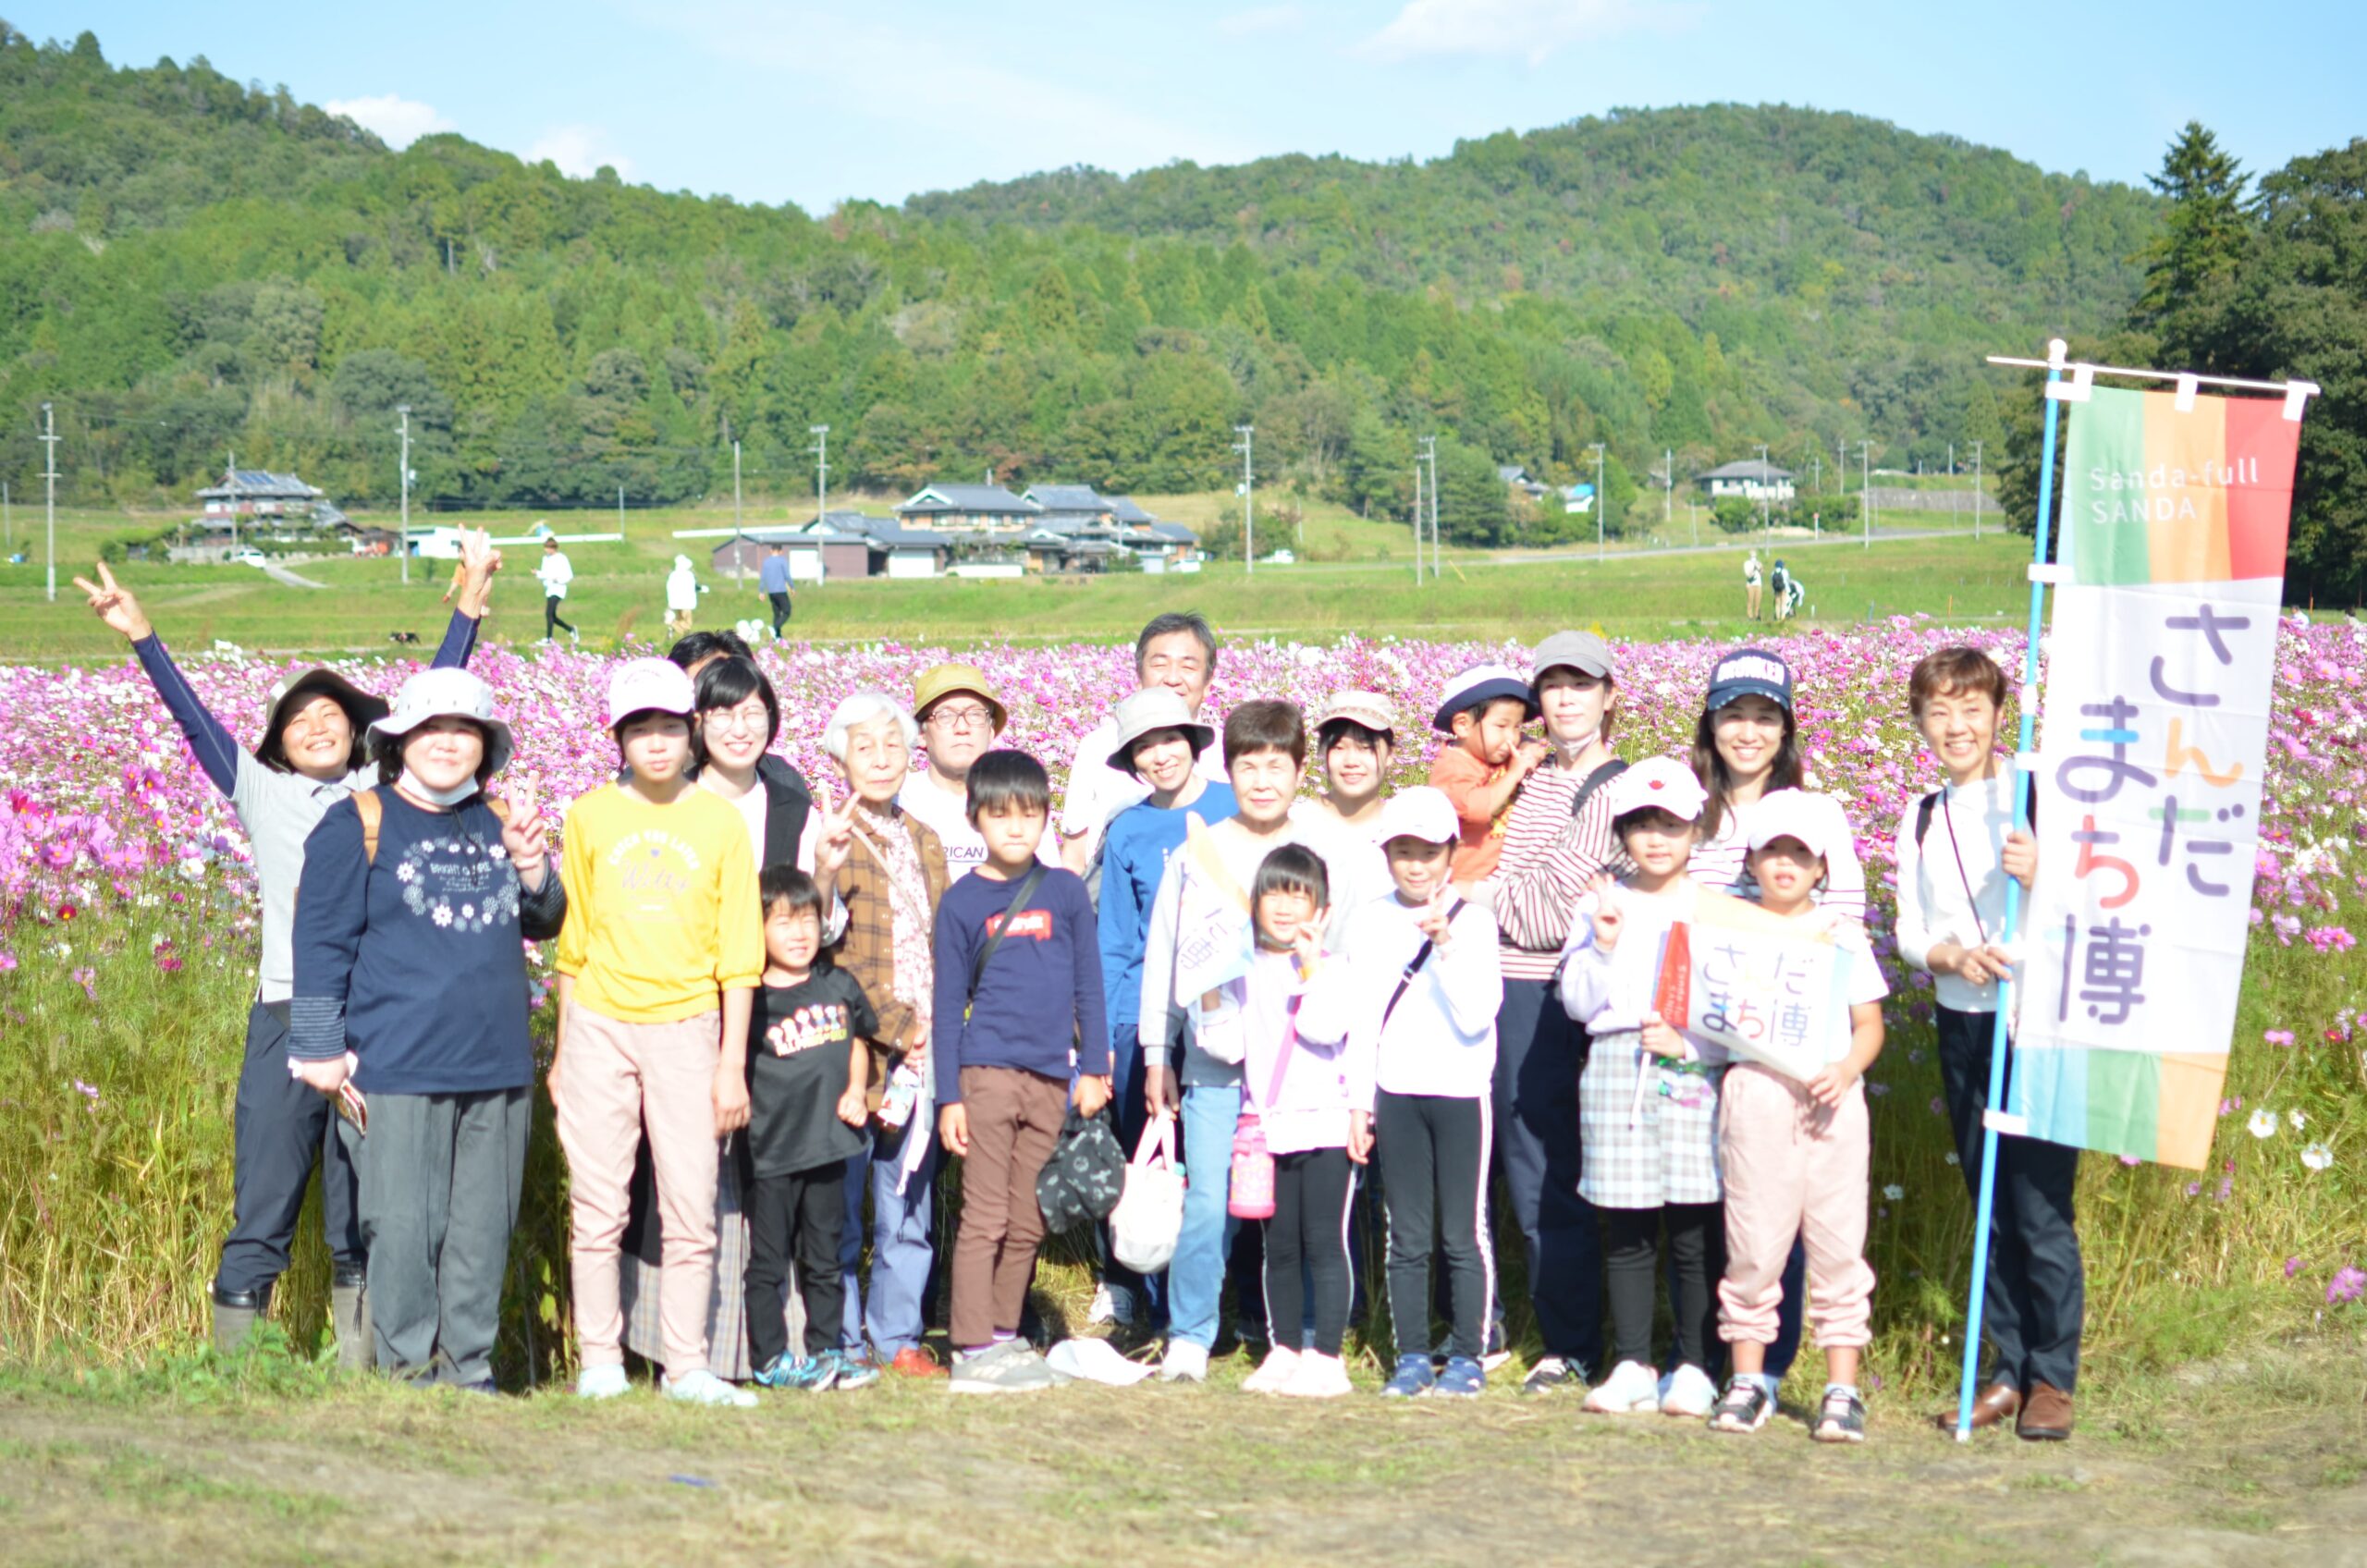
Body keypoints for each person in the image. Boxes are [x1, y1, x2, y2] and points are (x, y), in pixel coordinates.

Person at [73, 541, 495, 1361]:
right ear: (276, 746)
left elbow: (440, 711)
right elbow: (193, 723)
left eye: (332, 714)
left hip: (376, 1021)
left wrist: (467, 615)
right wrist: (143, 636)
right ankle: (234, 1375)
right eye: (298, 721)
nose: (316, 725)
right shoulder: (261, 792)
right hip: (287, 1012)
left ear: (366, 734)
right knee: (265, 1197)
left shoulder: (385, 794)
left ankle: (358, 1370)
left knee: (363, 1207)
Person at [287, 668, 566, 1390]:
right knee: (403, 1229)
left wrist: (534, 864)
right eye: (432, 729)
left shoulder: (497, 819)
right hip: (394, 1065)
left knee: (481, 1231)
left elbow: (546, 921)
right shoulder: (359, 821)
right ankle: (410, 1376)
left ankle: (468, 1374)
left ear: (486, 746)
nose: (448, 743)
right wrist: (320, 1050)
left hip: (497, 1065)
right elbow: (319, 942)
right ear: (400, 740)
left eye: (465, 730)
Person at [613, 655, 854, 1383]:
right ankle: (676, 1348)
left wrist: (829, 868)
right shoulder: (664, 800)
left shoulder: (791, 804)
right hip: (687, 1008)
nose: (739, 727)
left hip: (778, 1023)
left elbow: (819, 922)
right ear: (695, 725)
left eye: (754, 713)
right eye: (721, 714)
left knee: (770, 1183)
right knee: (689, 1179)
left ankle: (771, 1350)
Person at [550, 657, 763, 1409]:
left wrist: (730, 1063)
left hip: (688, 1028)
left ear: (692, 732)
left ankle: (686, 1365)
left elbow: (741, 952)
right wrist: (561, 1051)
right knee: (599, 1208)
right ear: (618, 738)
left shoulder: (720, 822)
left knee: (690, 1207)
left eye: (670, 728)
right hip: (600, 1028)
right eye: (640, 730)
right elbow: (572, 944)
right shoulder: (588, 816)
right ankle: (600, 1359)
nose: (657, 744)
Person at [1892, 646, 2070, 1441]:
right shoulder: (1922, 814)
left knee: (2039, 1208)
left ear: (2002, 714)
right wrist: (1952, 957)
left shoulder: (2039, 796)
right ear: (1920, 723)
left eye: (1972, 708)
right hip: (1963, 1021)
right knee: (1989, 1200)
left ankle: (2053, 1380)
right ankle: (2004, 1370)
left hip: (2037, 1022)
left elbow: (2103, 903)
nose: (1956, 725)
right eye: (1939, 711)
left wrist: (2048, 873)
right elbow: (1906, 931)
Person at [1685, 646, 1865, 1387]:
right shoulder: (1688, 808)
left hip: (1789, 1050)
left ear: (1787, 730)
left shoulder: (1818, 813)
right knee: (1719, 1215)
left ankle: (1775, 1363)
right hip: (1699, 1041)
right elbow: (1673, 906)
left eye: (1765, 717)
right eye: (1734, 716)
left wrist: (1731, 915)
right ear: (1712, 724)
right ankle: (1705, 1357)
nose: (1748, 732)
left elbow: (1842, 922)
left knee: (1796, 1214)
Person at [1307, 787, 1501, 1399]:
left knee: (1463, 1232)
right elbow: (1362, 1021)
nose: (1417, 865)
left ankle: (1469, 1356)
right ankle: (1412, 1356)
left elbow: (1478, 1014)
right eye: (1404, 852)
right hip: (1395, 1092)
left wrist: (1445, 944)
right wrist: (1359, 1105)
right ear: (1386, 855)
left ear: (1452, 854)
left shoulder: (1475, 921)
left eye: (1429, 851)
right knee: (1406, 1234)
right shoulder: (1367, 922)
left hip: (1462, 1092)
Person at [1137, 699, 1309, 1381]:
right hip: (1214, 1057)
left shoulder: (1323, 851)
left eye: (1277, 764)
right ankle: (1189, 1335)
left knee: (1294, 1207)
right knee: (1207, 1201)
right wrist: (1158, 1050)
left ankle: (1297, 1337)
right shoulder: (1195, 853)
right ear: (1226, 770)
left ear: (1300, 770)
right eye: (1248, 765)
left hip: (1302, 1064)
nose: (1263, 779)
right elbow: (1164, 956)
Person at [1708, 790, 1886, 1443]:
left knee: (1840, 1245)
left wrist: (1846, 1070)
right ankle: (1749, 1381)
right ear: (1751, 861)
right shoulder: (1728, 928)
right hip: (1755, 1094)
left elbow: (1868, 1025)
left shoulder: (1844, 937)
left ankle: (1843, 1389)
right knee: (1754, 1246)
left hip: (1832, 1103)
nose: (1785, 864)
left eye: (1800, 854)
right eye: (1772, 851)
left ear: (1821, 869)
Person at [1473, 631, 1624, 1394]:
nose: (1565, 700)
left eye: (1581, 685)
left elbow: (1535, 919)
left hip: (1557, 994)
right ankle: (1508, 1326)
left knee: (1552, 1168)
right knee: (1514, 1168)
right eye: (1553, 687)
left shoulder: (1616, 792)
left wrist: (1476, 897)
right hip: (1496, 988)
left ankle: (1572, 1342)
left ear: (1608, 697)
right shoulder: (1526, 782)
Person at [933, 751, 1110, 1392]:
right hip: (984, 1076)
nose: (1016, 827)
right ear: (976, 817)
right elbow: (948, 1006)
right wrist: (948, 1097)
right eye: (1000, 814)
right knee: (984, 1217)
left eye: (1030, 814)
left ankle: (1006, 1338)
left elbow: (1089, 982)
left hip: (1051, 1080)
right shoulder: (961, 902)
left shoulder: (1063, 889)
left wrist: (1093, 1067)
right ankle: (971, 1348)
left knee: (1029, 1216)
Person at [1555, 757, 1724, 1419]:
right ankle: (1630, 1362)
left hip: (1690, 1063)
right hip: (1615, 1060)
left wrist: (1692, 1045)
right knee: (1626, 1224)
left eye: (1672, 825)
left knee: (1691, 1222)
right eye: (1642, 825)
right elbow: (1575, 1003)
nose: (1657, 839)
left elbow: (1732, 1009)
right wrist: (1599, 945)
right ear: (1622, 831)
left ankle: (1692, 1364)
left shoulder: (1713, 907)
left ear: (1696, 829)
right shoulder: (1601, 901)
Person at [1092, 687, 1235, 1330]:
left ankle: (1228, 1298)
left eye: (1169, 739)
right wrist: (1115, 1036)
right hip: (1145, 1017)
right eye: (1145, 747)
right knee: (1146, 1158)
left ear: (1194, 742)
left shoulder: (1235, 807)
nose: (1160, 755)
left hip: (1225, 1015)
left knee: (1221, 1163)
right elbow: (1116, 943)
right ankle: (1138, 1294)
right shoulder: (1127, 829)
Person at [822, 692, 952, 1378]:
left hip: (924, 1048)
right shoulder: (829, 838)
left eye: (893, 746)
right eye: (864, 747)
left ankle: (897, 1336)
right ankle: (842, 1341)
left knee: (907, 1198)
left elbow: (946, 943)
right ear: (840, 758)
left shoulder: (925, 838)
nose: (880, 759)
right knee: (842, 1199)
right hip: (854, 1050)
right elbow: (824, 952)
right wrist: (901, 1026)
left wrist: (937, 1028)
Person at [1208, 845, 1355, 1401]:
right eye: (1275, 892)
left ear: (1323, 907)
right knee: (1280, 1245)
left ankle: (1329, 1356)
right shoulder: (1241, 969)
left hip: (1324, 1124)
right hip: (1266, 1125)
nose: (1287, 906)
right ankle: (1285, 1348)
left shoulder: (1336, 967)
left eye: (1301, 894)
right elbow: (1225, 1047)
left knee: (1324, 1239)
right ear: (1255, 902)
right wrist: (1209, 988)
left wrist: (1312, 967)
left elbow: (1324, 1028)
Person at [742, 867, 878, 1393]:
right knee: (769, 1263)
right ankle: (770, 1359)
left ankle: (827, 1354)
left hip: (828, 1145)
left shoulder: (836, 983)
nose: (799, 933)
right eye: (782, 922)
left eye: (808, 919)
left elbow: (859, 1040)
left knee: (825, 1258)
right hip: (771, 1152)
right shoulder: (750, 997)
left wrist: (855, 1090)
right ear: (757, 929)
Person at [1057, 612, 1227, 874]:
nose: (1173, 678)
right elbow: (1073, 857)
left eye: (1188, 667)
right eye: (1159, 665)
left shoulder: (1228, 750)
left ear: (1208, 682)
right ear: (1138, 675)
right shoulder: (1098, 748)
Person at [1427, 664, 1547, 885]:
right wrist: (1513, 774)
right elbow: (1478, 808)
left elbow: (1530, 745)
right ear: (1463, 725)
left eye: (1517, 727)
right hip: (1465, 884)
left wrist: (1530, 747)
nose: (1511, 737)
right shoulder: (1452, 769)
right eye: (1501, 726)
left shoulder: (1498, 751)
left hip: (1505, 878)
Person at [899, 663, 1011, 876]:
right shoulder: (898, 802)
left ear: (990, 730)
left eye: (975, 715)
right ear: (920, 734)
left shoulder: (1018, 800)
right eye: (945, 716)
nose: (962, 728)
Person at [537, 537, 578, 643]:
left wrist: (558, 580)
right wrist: (537, 573)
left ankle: (549, 638)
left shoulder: (561, 558)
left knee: (548, 613)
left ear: (553, 548)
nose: (546, 550)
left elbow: (569, 575)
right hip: (549, 589)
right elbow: (545, 574)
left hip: (558, 588)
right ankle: (571, 629)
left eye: (548, 548)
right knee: (552, 616)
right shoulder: (545, 559)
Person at [666, 554, 705, 640]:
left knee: (681, 620)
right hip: (686, 603)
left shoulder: (673, 575)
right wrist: (701, 589)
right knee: (688, 622)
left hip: (676, 602)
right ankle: (674, 626)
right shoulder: (688, 575)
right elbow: (693, 587)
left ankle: (681, 634)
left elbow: (670, 588)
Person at [760, 542, 793, 638]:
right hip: (781, 591)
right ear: (781, 551)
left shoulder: (766, 562)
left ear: (771, 551)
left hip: (771, 592)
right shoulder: (782, 561)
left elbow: (763, 578)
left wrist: (761, 591)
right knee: (787, 611)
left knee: (777, 613)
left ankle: (777, 636)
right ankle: (775, 627)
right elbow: (787, 575)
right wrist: (792, 587)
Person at [1770, 558, 1794, 623]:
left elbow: (1771, 582)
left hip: (1776, 590)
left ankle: (1777, 617)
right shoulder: (1784, 572)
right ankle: (1782, 617)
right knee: (1783, 603)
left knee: (1777, 604)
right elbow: (1788, 580)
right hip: (1783, 589)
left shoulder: (1773, 573)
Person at [1744, 550, 1763, 620]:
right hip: (1750, 585)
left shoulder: (1759, 563)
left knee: (1757, 600)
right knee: (1750, 600)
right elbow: (1748, 575)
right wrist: (1753, 569)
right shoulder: (1747, 563)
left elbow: (1761, 573)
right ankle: (1750, 616)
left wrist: (1760, 568)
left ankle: (1757, 615)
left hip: (1758, 584)